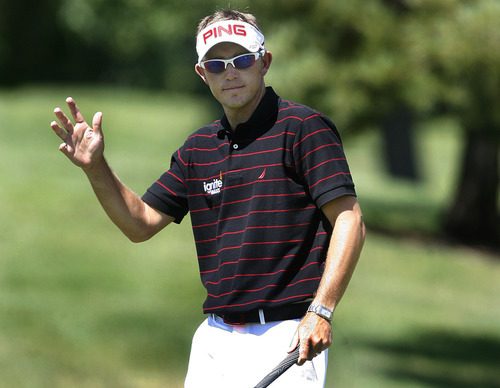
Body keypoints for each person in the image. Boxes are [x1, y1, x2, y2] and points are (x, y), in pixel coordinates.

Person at [50, 9, 365, 388]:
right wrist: (95, 167)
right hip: (214, 339)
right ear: (202, 74)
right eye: (216, 64)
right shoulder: (198, 148)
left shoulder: (303, 128)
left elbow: (350, 220)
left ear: (264, 62)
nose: (230, 73)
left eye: (242, 60)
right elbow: (140, 223)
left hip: (286, 335)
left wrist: (322, 311)